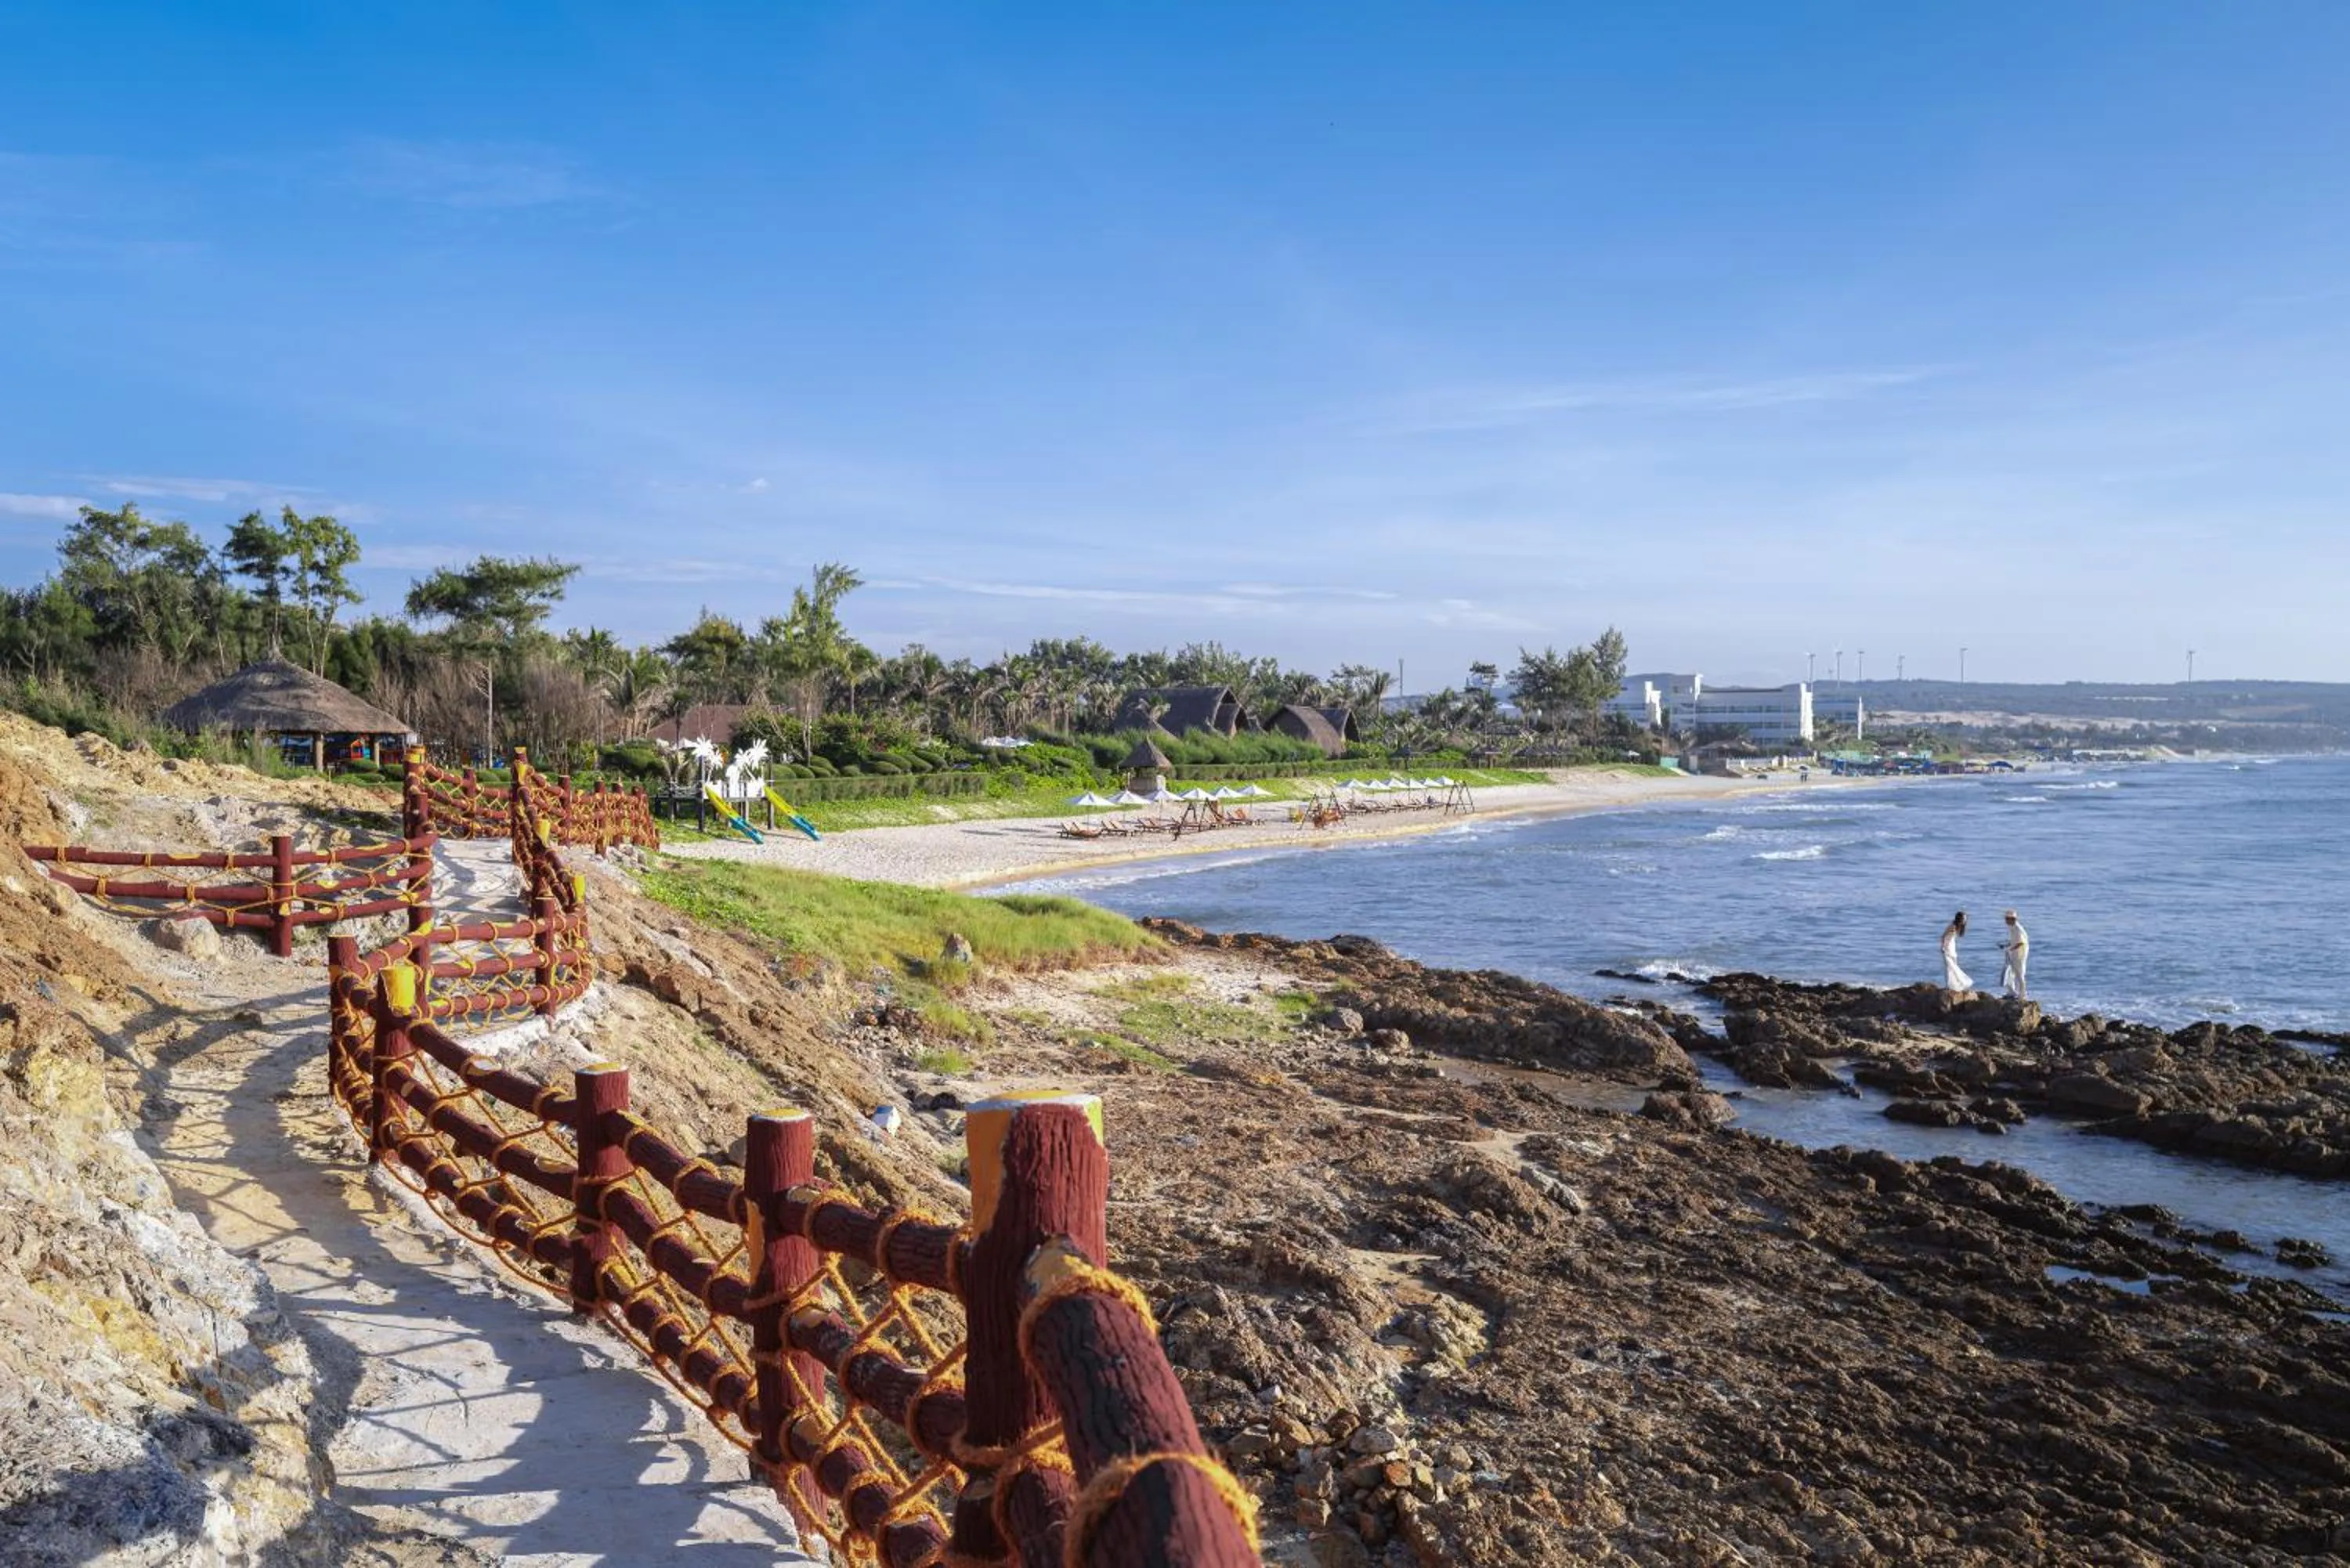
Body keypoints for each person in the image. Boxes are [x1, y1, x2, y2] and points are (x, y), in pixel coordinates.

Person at [1940, 910, 1972, 992]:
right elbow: (1943, 936)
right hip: (1947, 948)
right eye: (1964, 919)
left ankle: (1956, 984)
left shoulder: (1959, 927)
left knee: (1955, 966)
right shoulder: (1952, 926)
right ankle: (1948, 985)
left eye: (1965, 919)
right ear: (1959, 919)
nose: (1965, 920)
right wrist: (1942, 947)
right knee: (1948, 967)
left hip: (1952, 947)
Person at [2001, 909, 2030, 999]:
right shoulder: (2013, 928)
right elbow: (2015, 941)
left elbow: (2021, 943)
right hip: (2013, 954)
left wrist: (2010, 949)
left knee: (2020, 974)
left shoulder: (2018, 929)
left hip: (2019, 955)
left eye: (2007, 919)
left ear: (2012, 919)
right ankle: (2011, 992)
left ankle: (2022, 995)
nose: (2005, 921)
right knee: (2010, 973)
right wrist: (2007, 945)